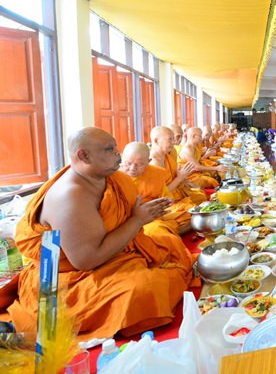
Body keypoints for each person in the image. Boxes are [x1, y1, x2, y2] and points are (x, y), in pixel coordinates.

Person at [0, 128, 194, 341]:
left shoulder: (110, 178)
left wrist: (137, 214)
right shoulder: (70, 196)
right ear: (83, 156)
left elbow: (122, 215)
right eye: (110, 150)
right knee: (143, 290)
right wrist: (138, 219)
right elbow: (86, 260)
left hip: (112, 254)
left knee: (170, 244)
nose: (118, 155)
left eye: (116, 147)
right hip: (70, 274)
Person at [121, 141, 193, 236]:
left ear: (148, 162)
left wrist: (167, 201)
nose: (132, 168)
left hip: (154, 215)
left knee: (192, 214)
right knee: (158, 231)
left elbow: (165, 195)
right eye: (128, 163)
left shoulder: (155, 173)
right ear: (122, 158)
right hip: (132, 221)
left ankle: (171, 231)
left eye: (139, 164)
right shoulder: (114, 178)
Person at [149, 126, 206, 205]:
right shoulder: (153, 162)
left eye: (173, 139)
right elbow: (160, 195)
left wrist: (188, 183)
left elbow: (176, 174)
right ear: (156, 141)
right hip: (167, 201)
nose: (173, 142)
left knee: (200, 195)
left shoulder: (171, 153)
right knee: (191, 207)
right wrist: (180, 178)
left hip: (177, 190)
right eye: (170, 139)